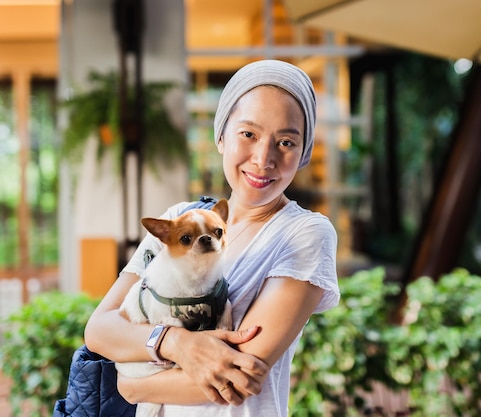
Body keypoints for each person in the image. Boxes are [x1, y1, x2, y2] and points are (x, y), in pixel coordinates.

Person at [84, 59, 340, 417]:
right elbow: (99, 329)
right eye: (248, 134)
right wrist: (175, 343)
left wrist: (132, 385)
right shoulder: (178, 220)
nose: (264, 159)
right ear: (221, 137)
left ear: (302, 155)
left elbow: (237, 377)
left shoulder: (303, 234)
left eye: (285, 142)